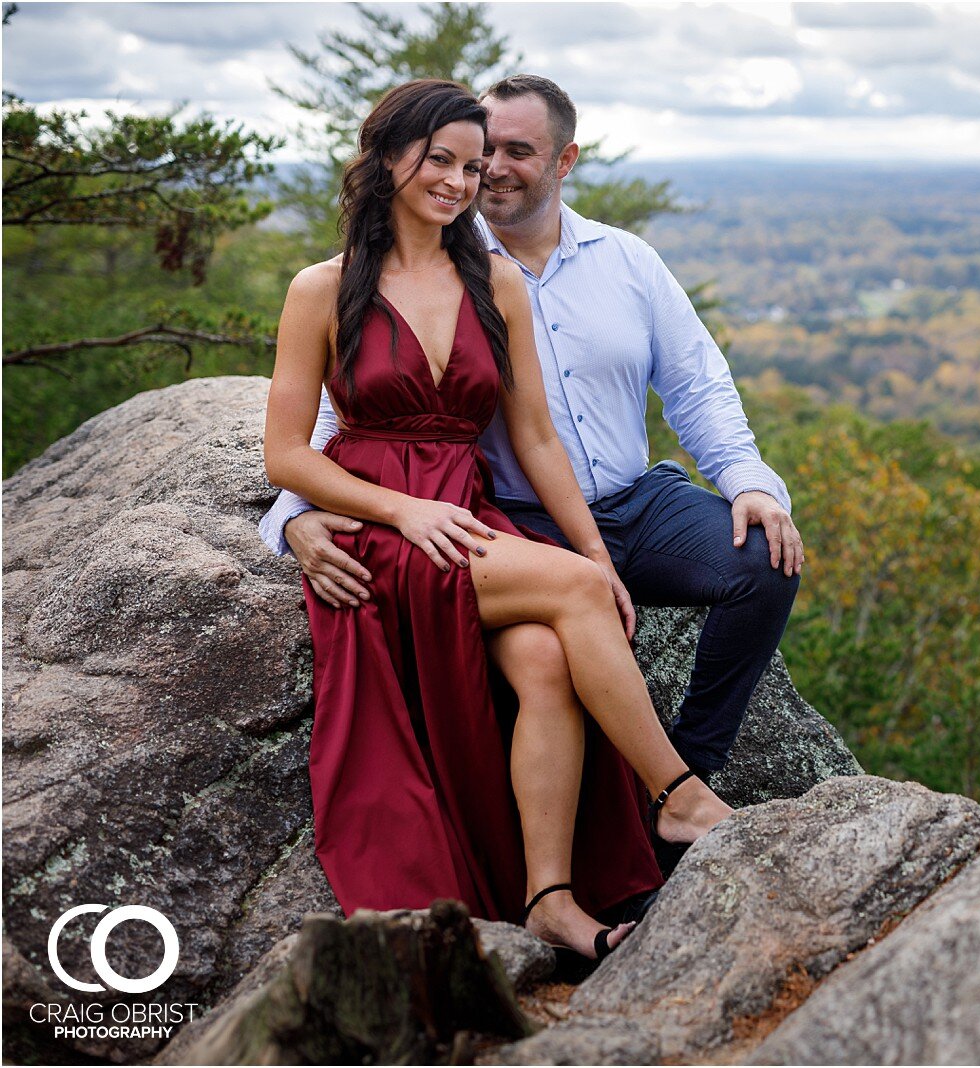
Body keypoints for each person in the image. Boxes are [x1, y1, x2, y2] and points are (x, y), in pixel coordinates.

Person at [262, 78, 733, 962]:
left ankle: (549, 897)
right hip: (385, 530)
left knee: (551, 655)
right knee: (572, 600)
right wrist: (375, 514)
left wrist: (596, 556)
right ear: (387, 158)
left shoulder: (497, 285)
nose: (457, 181)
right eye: (438, 159)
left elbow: (539, 440)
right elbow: (288, 452)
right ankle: (676, 793)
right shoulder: (320, 290)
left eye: (473, 167)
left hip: (468, 516)